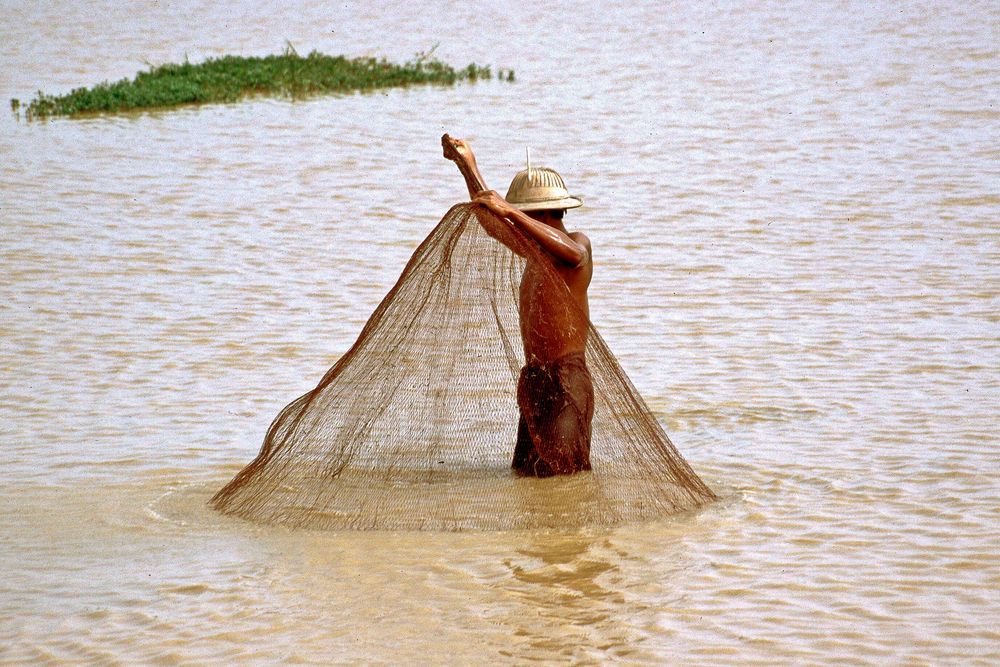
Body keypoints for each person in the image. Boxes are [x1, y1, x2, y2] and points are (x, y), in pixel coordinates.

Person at [442, 135, 594, 477]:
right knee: (529, 477)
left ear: (538, 213)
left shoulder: (576, 245)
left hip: (568, 384)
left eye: (523, 213)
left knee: (563, 481)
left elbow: (574, 254)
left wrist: (510, 210)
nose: (516, 220)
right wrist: (468, 167)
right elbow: (492, 223)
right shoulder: (535, 253)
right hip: (537, 383)